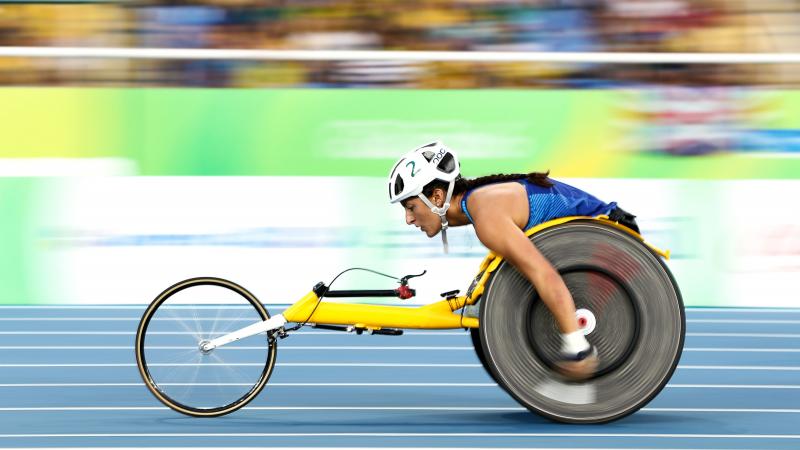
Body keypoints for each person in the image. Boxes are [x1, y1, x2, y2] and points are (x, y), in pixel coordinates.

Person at [387, 141, 639, 380]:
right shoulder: (478, 201)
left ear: (438, 197)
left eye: (411, 207)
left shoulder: (485, 215)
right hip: (603, 235)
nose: (409, 219)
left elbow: (544, 274)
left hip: (612, 239)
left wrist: (576, 347)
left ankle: (580, 346)